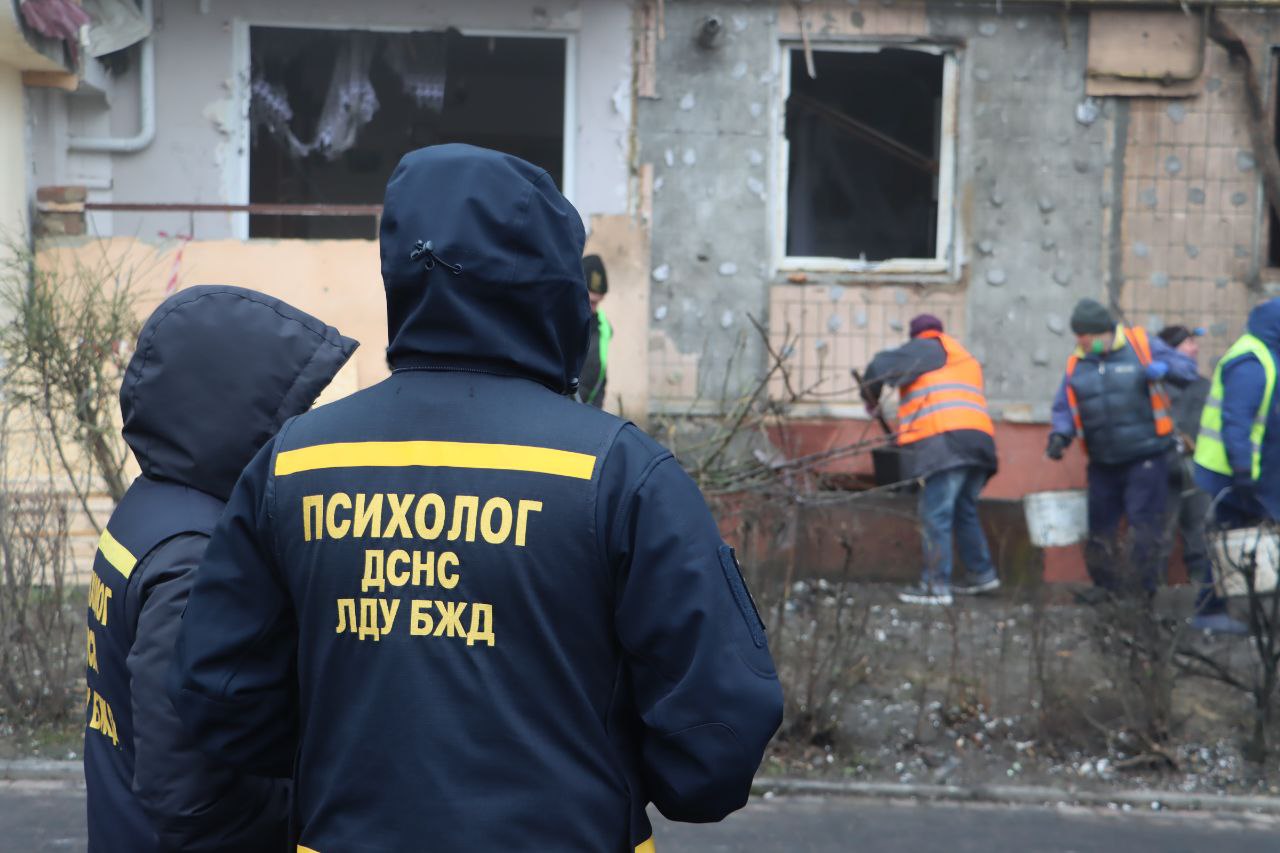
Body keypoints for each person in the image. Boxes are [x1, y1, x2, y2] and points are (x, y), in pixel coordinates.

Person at [171, 144, 783, 853]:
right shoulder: (619, 471)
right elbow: (718, 737)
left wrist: (354, 762)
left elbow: (219, 692)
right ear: (553, 284)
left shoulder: (297, 460)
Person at [85, 286, 357, 853]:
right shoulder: (195, 553)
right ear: (233, 415)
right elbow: (187, 794)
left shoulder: (149, 507)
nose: (299, 429)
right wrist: (307, 816)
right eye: (290, 411)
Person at [1046, 298, 1197, 598]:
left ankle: (1141, 594)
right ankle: (1106, 590)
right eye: (1079, 339)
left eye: (1086, 339)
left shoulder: (1141, 345)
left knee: (1144, 527)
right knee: (1100, 529)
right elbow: (1065, 404)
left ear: (1104, 332)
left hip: (1147, 458)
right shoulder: (1077, 362)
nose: (1083, 345)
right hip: (1103, 462)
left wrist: (1164, 368)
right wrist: (1060, 435)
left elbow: (1188, 371)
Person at [860, 314, 1000, 606]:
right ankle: (981, 574)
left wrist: (870, 397)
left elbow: (877, 367)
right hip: (980, 443)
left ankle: (935, 586)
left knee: (936, 513)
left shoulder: (926, 347)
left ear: (916, 336)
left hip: (947, 443)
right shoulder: (962, 357)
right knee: (964, 510)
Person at [1156, 325, 1247, 635]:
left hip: (1198, 472)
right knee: (1160, 536)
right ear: (1169, 348)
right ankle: (1153, 604)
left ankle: (1204, 601)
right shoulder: (1155, 385)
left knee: (1200, 535)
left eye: (1194, 342)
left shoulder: (1204, 386)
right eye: (1187, 343)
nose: (1194, 349)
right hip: (1161, 471)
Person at [1194, 297, 1280, 528]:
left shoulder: (1267, 355)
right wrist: (1242, 470)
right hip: (1234, 479)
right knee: (1236, 551)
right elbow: (1237, 421)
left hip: (1252, 477)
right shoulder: (1251, 363)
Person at [579, 253, 613, 408]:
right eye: (591, 301)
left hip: (588, 410)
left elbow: (600, 374)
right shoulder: (559, 322)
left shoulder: (603, 326)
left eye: (598, 302)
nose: (594, 308)